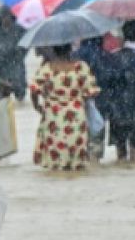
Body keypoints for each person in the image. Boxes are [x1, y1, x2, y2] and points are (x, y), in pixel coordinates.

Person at [29, 43, 100, 171]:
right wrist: (78, 99)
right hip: (76, 116)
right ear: (70, 50)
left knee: (55, 158)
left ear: (54, 51)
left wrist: (37, 106)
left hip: (53, 117)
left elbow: (34, 89)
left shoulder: (47, 68)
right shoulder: (80, 67)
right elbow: (92, 91)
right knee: (77, 158)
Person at [103, 20, 135, 163]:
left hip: (117, 108)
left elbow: (109, 84)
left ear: (123, 35)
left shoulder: (113, 57)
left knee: (120, 150)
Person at [73, 35, 111, 159]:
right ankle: (95, 160)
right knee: (97, 135)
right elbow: (108, 79)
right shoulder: (105, 56)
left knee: (80, 139)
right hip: (101, 100)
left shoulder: (74, 57)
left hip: (78, 104)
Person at [0, 9, 28, 101]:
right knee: (1, 98)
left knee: (20, 94)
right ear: (0, 18)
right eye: (3, 17)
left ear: (12, 18)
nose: (6, 19)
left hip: (16, 65)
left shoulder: (20, 30)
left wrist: (18, 54)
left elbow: (26, 46)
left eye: (8, 17)